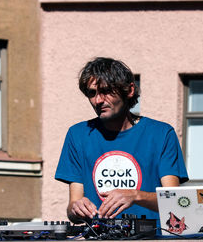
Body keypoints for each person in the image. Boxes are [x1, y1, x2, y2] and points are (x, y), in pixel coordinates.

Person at [55, 57, 188, 225]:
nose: (98, 100)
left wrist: (135, 195)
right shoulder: (77, 134)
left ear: (129, 90)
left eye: (105, 91)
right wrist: (77, 208)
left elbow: (175, 201)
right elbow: (73, 208)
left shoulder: (161, 133)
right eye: (92, 93)